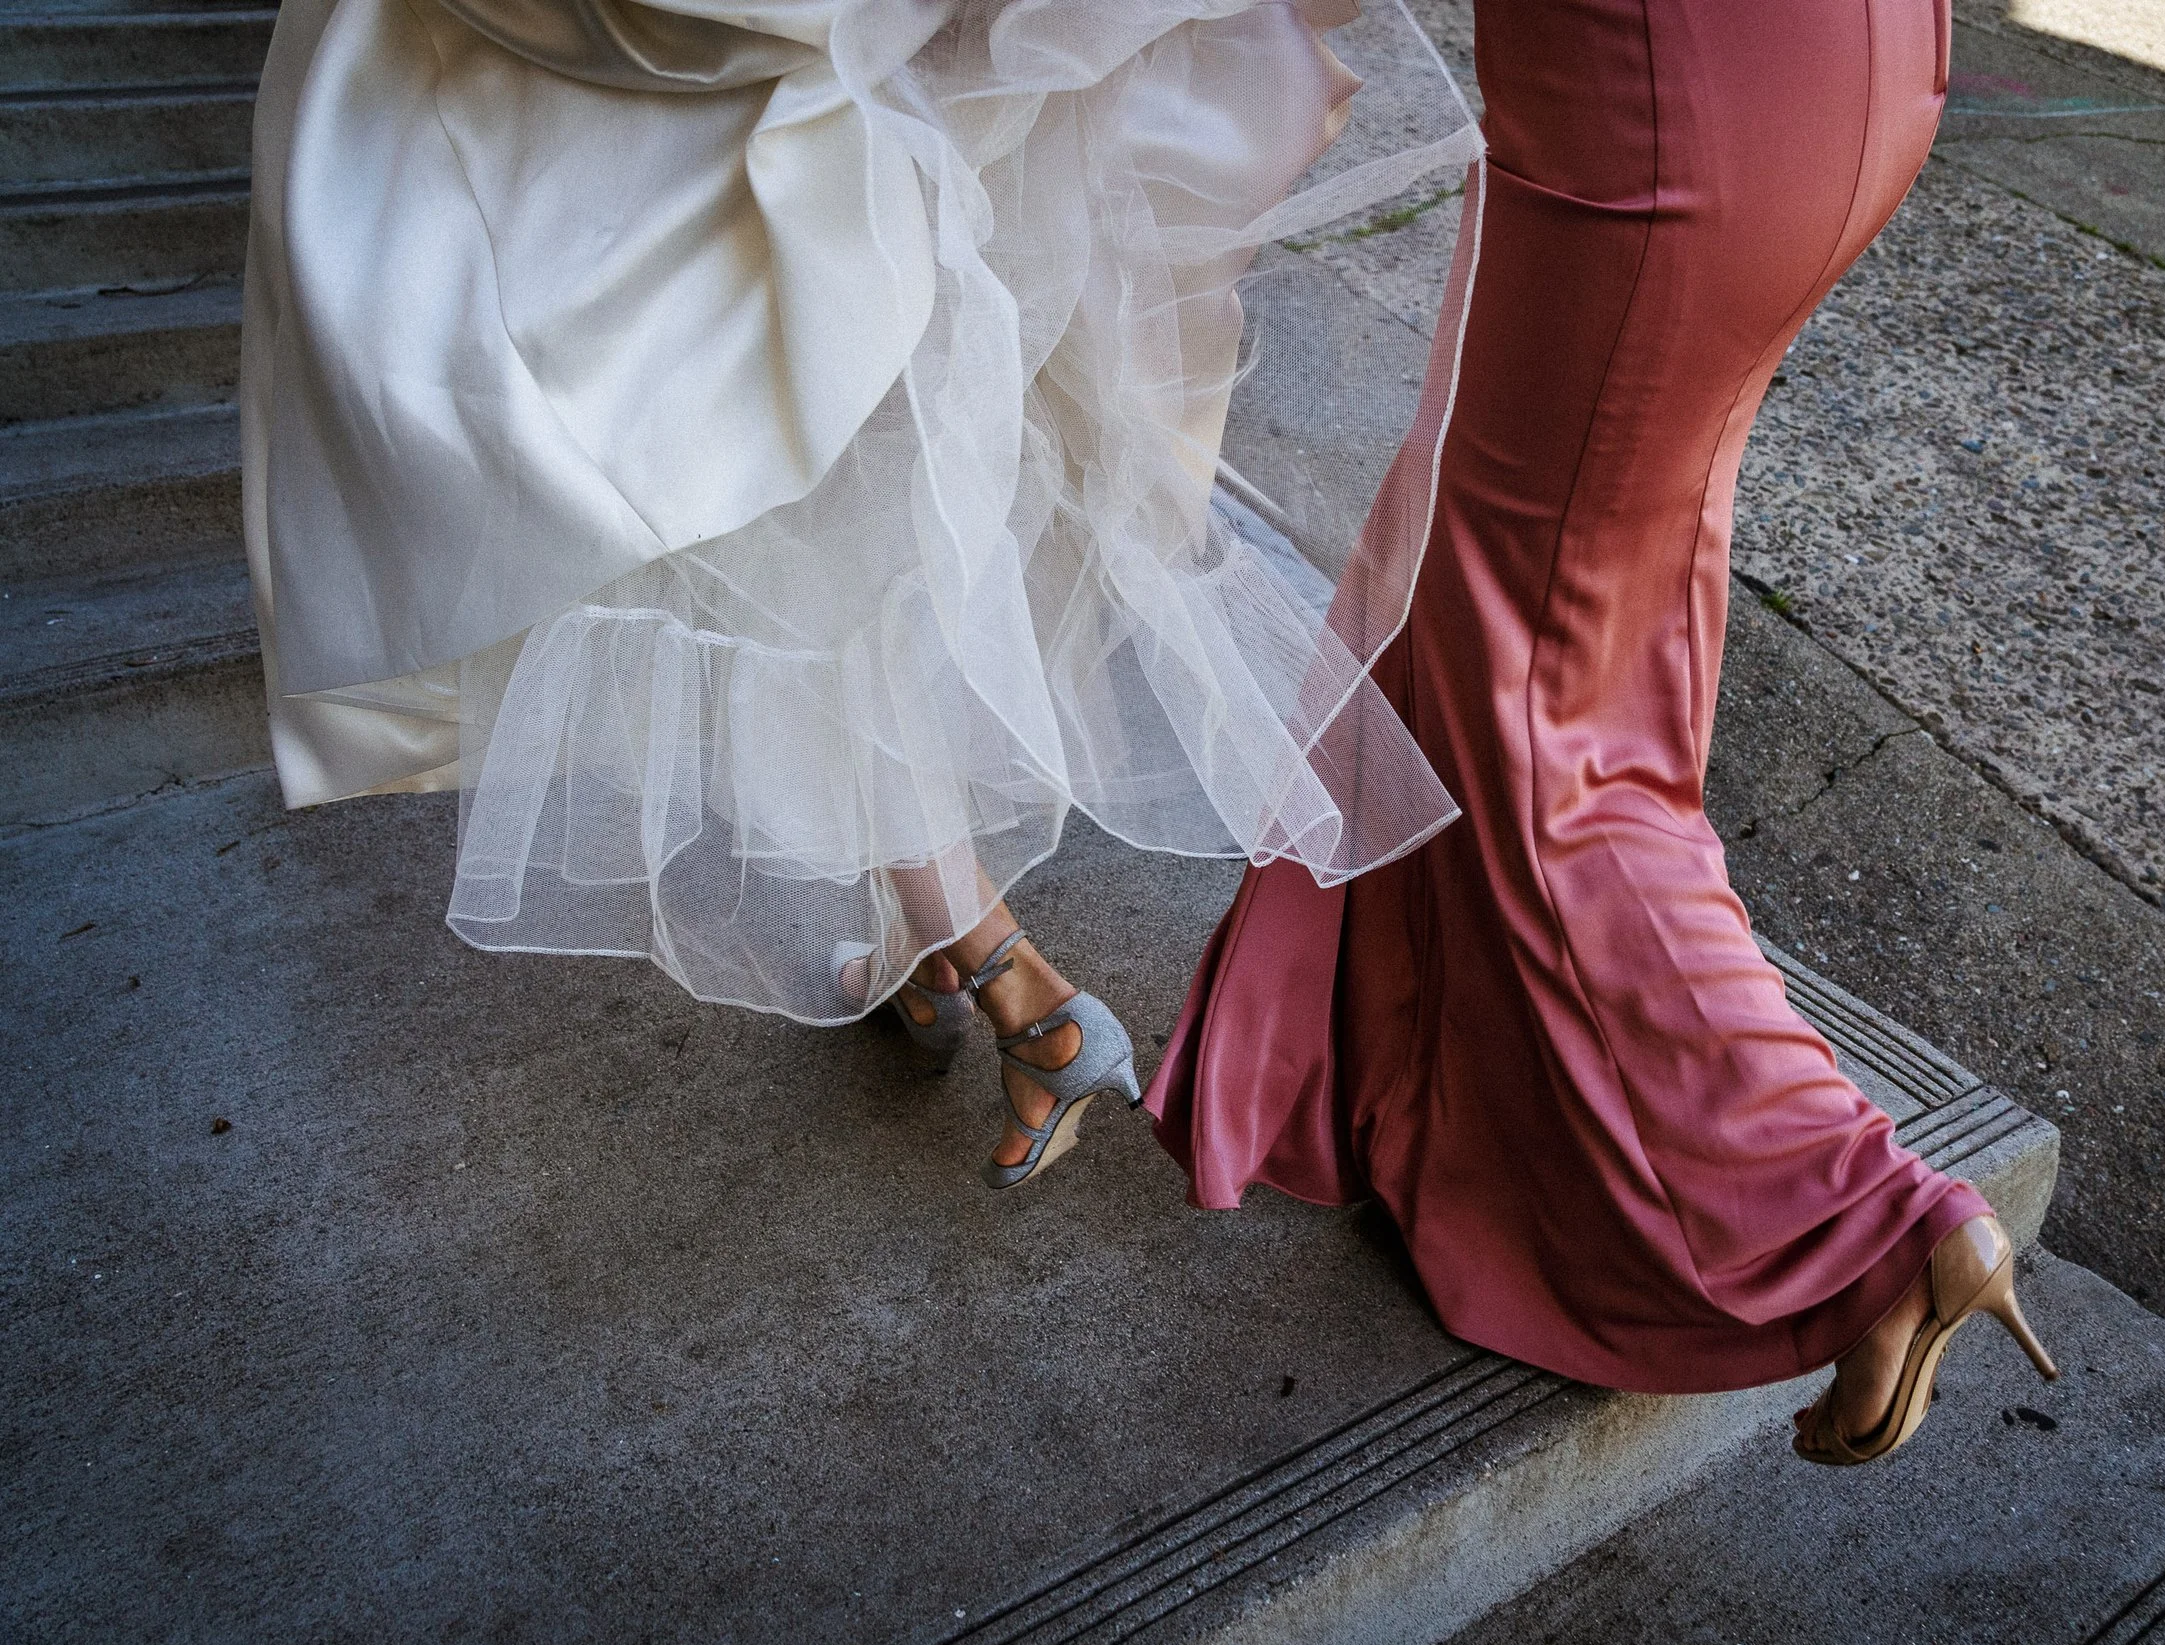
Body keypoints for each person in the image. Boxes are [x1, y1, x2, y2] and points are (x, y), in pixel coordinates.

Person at [242, 0, 1472, 1185]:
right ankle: (932, 947)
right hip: (898, 123)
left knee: (735, 531)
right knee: (821, 530)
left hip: (831, 112)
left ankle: (1024, 996)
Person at [1147, 0, 2059, 1461]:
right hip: (1833, 76)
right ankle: (1456, 1096)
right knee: (1551, 621)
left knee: (1542, 712)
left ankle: (1866, 1218)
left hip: (1667, 103)